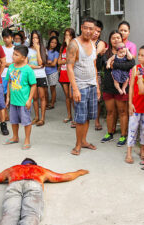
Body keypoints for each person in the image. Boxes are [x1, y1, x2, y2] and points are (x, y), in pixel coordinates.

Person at [67, 17, 100, 156]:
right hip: (80, 85)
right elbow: (69, 66)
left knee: (88, 117)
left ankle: (84, 141)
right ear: (81, 27)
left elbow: (94, 65)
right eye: (85, 28)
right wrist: (75, 89)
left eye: (91, 29)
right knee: (80, 118)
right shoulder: (74, 44)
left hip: (92, 84)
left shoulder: (93, 43)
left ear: (95, 30)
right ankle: (78, 144)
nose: (88, 31)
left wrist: (97, 86)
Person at [97, 31, 135, 146]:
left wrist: (114, 65)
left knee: (122, 111)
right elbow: (100, 66)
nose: (116, 40)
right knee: (110, 111)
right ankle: (110, 133)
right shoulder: (106, 53)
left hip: (122, 86)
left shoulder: (125, 52)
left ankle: (123, 135)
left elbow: (131, 64)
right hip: (109, 86)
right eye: (113, 38)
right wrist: (99, 56)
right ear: (110, 40)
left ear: (122, 39)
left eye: (118, 38)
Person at [5, 45, 36, 150]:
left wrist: (29, 100)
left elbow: (33, 85)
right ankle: (15, 137)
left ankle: (27, 139)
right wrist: (8, 97)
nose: (13, 56)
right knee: (13, 120)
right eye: (13, 54)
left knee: (26, 121)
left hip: (24, 101)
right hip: (13, 100)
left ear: (23, 57)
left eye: (16, 55)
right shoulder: (11, 67)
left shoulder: (28, 69)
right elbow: (9, 82)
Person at [125, 46, 144, 164]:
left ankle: (142, 151)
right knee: (132, 129)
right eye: (140, 55)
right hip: (136, 106)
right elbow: (131, 87)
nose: (140, 58)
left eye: (143, 56)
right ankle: (128, 153)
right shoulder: (135, 68)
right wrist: (130, 103)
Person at [28, 30, 48, 127]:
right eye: (33, 38)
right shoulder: (28, 49)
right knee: (34, 97)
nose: (34, 40)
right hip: (32, 75)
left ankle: (42, 118)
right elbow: (26, 64)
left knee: (42, 97)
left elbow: (41, 63)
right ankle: (36, 117)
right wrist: (35, 67)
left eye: (36, 38)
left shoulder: (43, 49)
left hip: (41, 76)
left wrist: (38, 50)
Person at [58, 28, 76, 125]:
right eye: (65, 35)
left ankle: (76, 117)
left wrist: (69, 43)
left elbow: (72, 57)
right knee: (67, 97)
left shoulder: (73, 46)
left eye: (69, 35)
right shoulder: (62, 47)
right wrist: (66, 61)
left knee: (72, 96)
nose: (67, 37)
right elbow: (59, 61)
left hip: (71, 74)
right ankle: (69, 115)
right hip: (63, 73)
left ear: (72, 36)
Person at [0, 28, 14, 122]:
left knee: (13, 95)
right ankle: (5, 115)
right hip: (2, 75)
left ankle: (13, 115)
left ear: (11, 38)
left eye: (7, 37)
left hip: (14, 75)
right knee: (3, 95)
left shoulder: (15, 48)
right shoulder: (1, 48)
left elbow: (16, 62)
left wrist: (5, 63)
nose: (6, 39)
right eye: (4, 38)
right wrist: (6, 64)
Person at [45, 36, 60, 109]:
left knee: (52, 88)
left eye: (55, 43)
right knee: (45, 89)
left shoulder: (56, 53)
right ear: (49, 42)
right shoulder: (45, 50)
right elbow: (42, 61)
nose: (53, 44)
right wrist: (48, 63)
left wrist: (46, 63)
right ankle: (46, 103)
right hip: (44, 72)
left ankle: (52, 103)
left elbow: (54, 64)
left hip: (53, 72)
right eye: (52, 42)